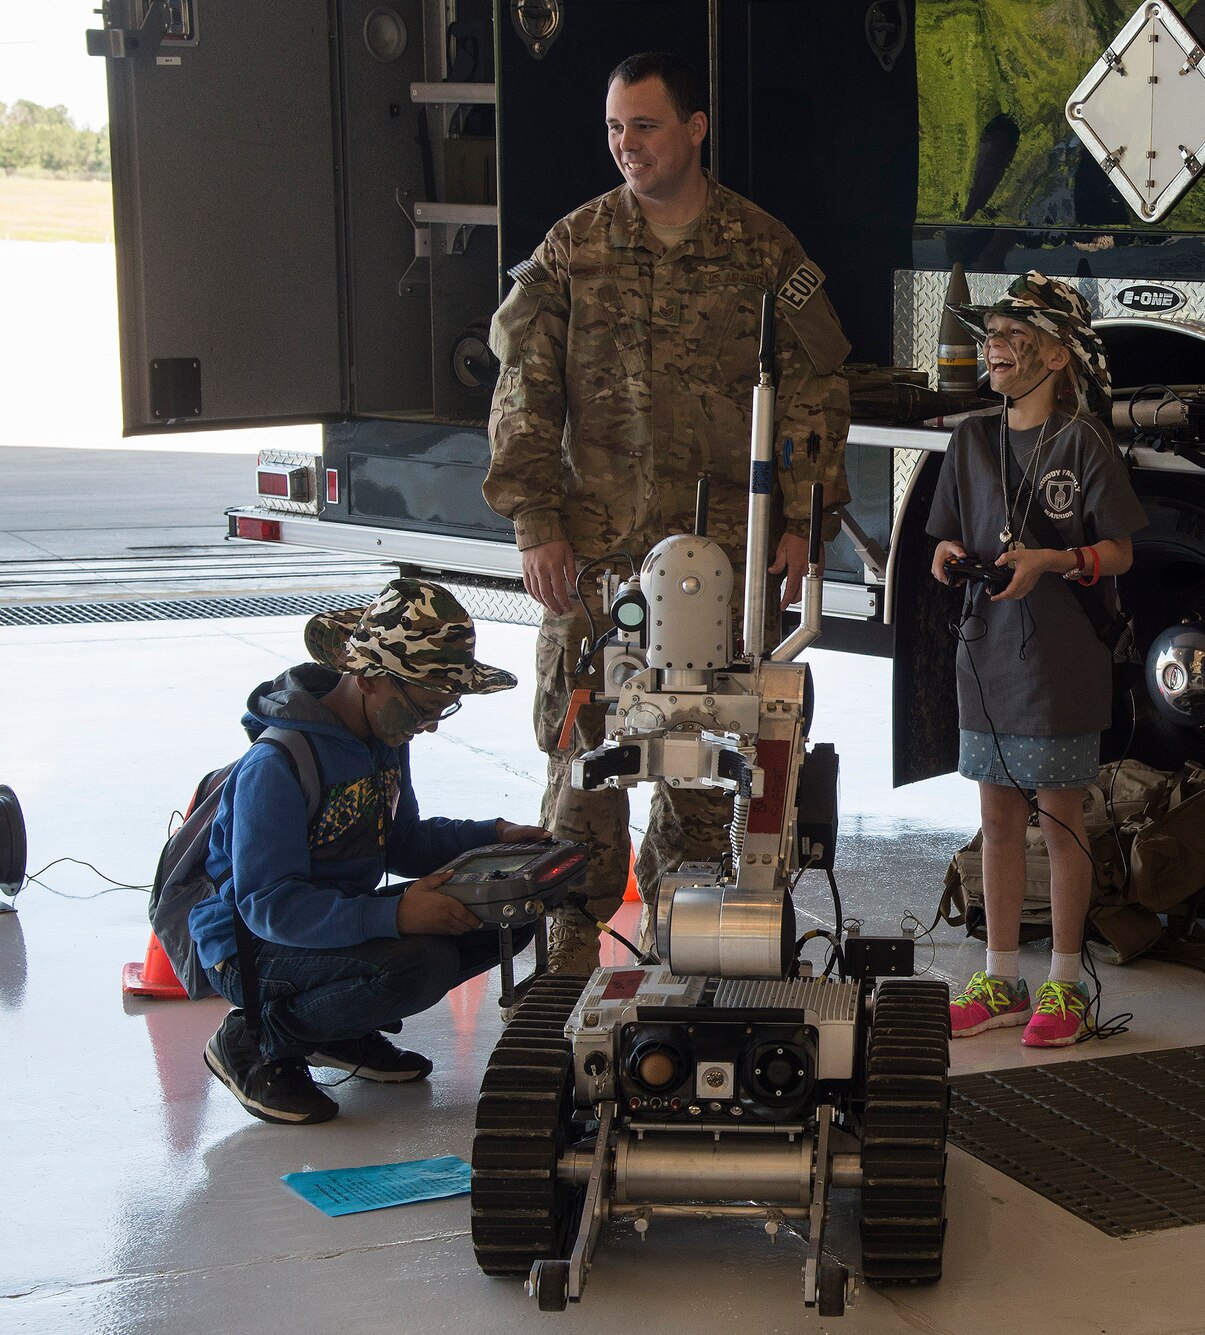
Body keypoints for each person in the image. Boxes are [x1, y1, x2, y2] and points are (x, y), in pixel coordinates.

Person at [483, 51, 852, 975]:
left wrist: (807, 519)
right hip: (599, 558)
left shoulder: (765, 250)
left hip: (724, 559)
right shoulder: (576, 246)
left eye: (644, 126)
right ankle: (570, 938)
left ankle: (683, 929)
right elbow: (523, 391)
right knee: (585, 747)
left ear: (695, 128)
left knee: (699, 745)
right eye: (614, 128)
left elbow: (817, 386)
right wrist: (536, 522)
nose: (626, 146)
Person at [193, 579, 544, 1125]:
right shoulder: (276, 765)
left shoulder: (384, 741)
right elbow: (268, 907)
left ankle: (339, 1030)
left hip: (326, 928)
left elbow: (403, 843)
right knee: (418, 963)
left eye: (443, 709)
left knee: (504, 917)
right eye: (423, 706)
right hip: (251, 949)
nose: (428, 725)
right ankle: (256, 1038)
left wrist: (491, 837)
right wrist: (395, 914)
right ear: (367, 679)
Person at [926, 272, 1147, 1047]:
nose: (995, 347)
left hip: (1059, 664)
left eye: (1015, 337)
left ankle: (1063, 983)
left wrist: (1053, 560)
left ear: (1057, 355)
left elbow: (1119, 552)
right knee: (995, 821)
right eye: (991, 333)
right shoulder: (970, 438)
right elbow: (946, 535)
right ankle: (999, 978)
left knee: (1060, 822)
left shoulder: (1081, 441)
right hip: (987, 660)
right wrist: (951, 556)